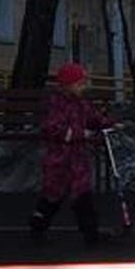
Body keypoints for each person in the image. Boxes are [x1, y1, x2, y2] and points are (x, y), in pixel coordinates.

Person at [28, 62, 112, 246]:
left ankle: (91, 233)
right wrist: (82, 134)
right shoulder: (55, 104)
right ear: (67, 85)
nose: (83, 87)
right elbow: (54, 129)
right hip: (59, 158)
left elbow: (94, 118)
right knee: (53, 195)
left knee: (82, 193)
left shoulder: (81, 103)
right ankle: (37, 227)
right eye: (79, 84)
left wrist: (108, 123)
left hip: (77, 157)